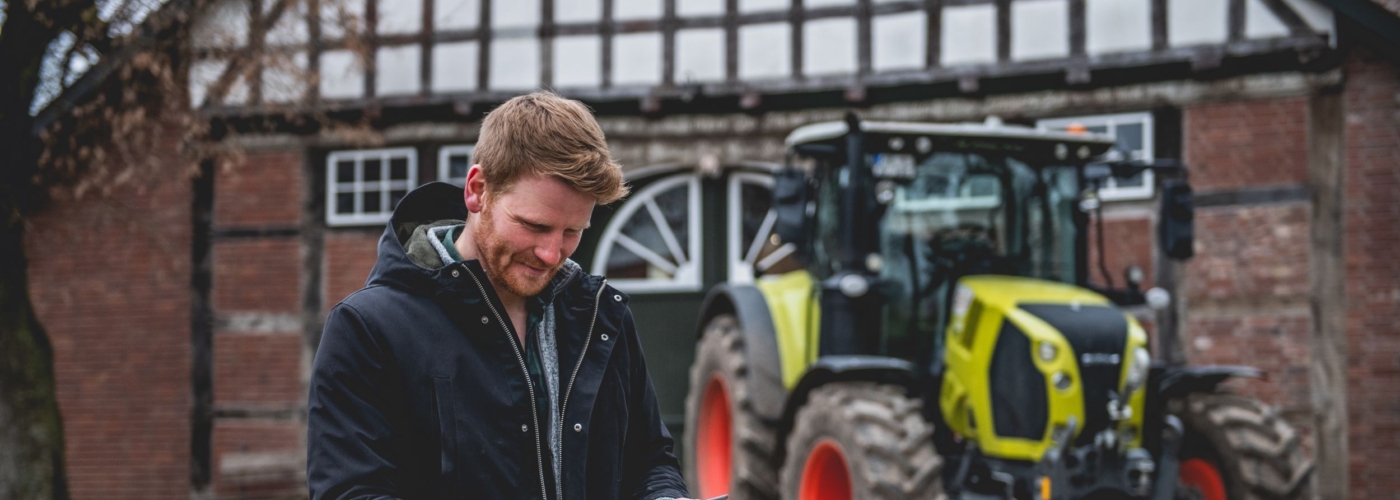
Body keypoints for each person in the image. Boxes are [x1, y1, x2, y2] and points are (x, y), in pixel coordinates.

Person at [307, 92, 692, 500]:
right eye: (534, 225)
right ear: (477, 190)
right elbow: (351, 493)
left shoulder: (603, 317)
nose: (551, 254)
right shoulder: (367, 329)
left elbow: (651, 461)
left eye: (573, 232)